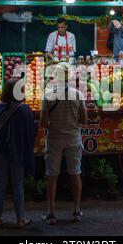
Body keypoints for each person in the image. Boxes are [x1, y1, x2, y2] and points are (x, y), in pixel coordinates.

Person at [0, 78, 37, 229]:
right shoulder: (24, 110)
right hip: (17, 151)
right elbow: (31, 132)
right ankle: (21, 219)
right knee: (17, 184)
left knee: (0, 184)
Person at [40, 63, 87, 225]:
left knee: (52, 176)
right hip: (73, 138)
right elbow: (84, 120)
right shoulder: (78, 95)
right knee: (75, 174)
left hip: (54, 139)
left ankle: (51, 213)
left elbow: (43, 123)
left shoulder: (47, 95)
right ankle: (76, 211)